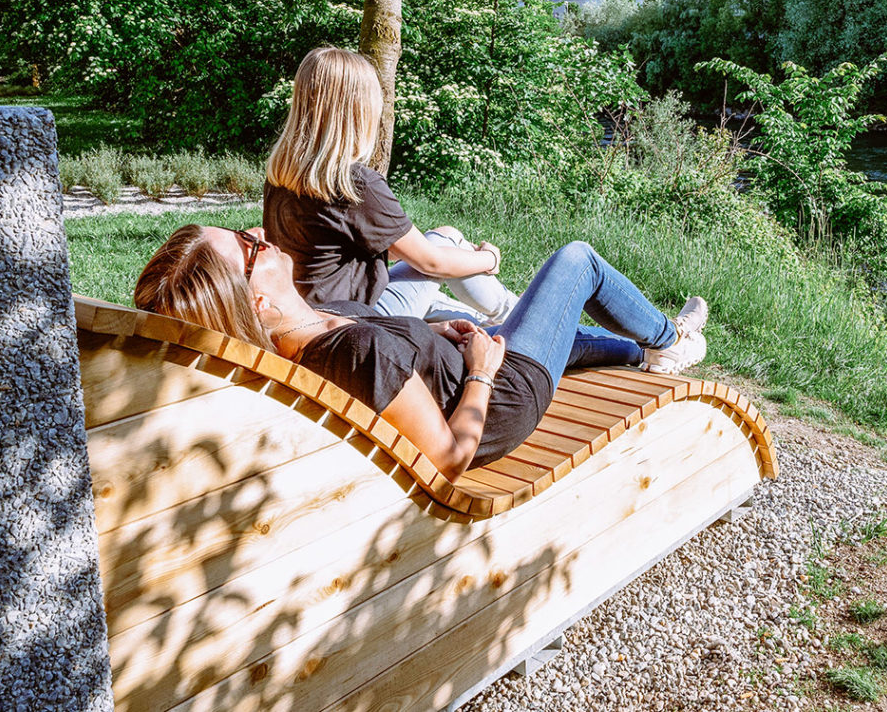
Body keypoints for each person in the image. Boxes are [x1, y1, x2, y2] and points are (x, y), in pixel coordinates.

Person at [133, 224, 709, 480]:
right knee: (576, 261)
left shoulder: (301, 334)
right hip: (499, 402)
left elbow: (396, 355)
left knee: (539, 328)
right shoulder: (354, 353)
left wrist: (436, 334)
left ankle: (637, 356)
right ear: (255, 302)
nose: (257, 236)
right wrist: (482, 372)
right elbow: (449, 458)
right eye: (248, 248)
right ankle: (670, 340)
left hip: (458, 363)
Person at [263, 46, 517, 324]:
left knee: (446, 276)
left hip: (309, 318)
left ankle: (506, 321)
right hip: (359, 322)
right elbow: (432, 263)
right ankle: (519, 319)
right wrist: (490, 258)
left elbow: (335, 246)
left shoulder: (282, 177)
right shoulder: (354, 183)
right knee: (446, 241)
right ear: (359, 110)